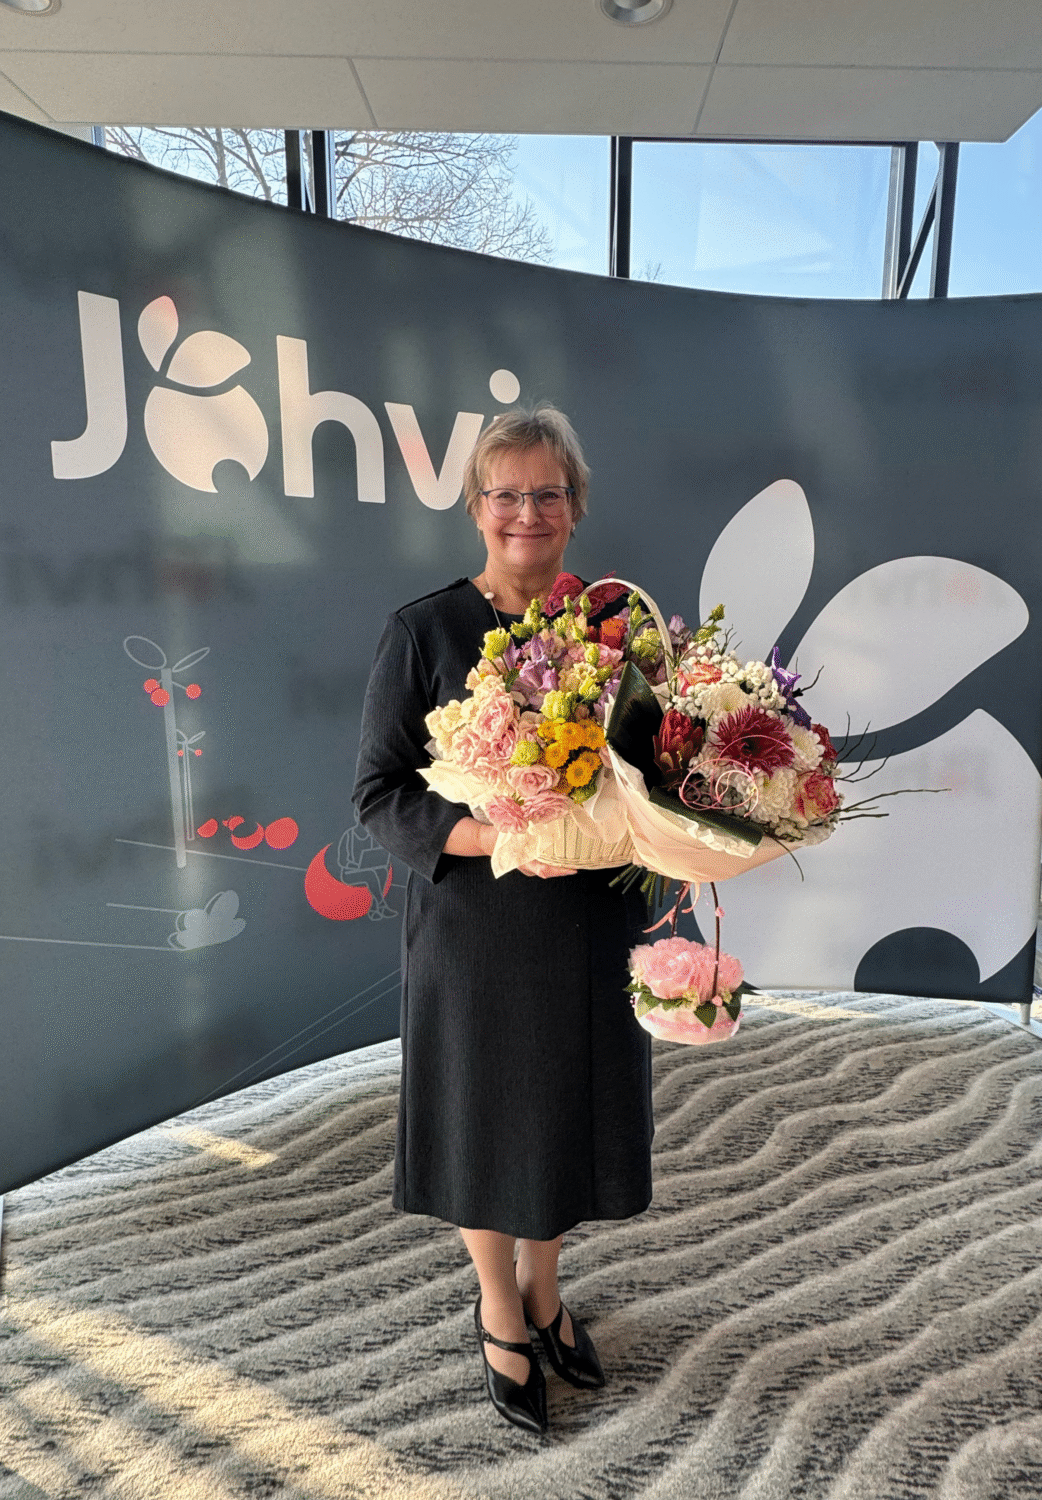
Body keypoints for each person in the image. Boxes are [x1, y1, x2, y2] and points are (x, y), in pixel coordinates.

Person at [352, 406, 653, 1434]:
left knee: (568, 1110)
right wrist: (497, 837)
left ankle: (545, 1290)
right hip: (476, 928)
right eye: (506, 493)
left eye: (548, 493)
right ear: (476, 507)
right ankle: (497, 1305)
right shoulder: (423, 631)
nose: (528, 512)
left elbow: (654, 770)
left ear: (576, 506)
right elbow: (379, 793)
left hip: (588, 919)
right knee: (485, 1119)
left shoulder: (615, 627)